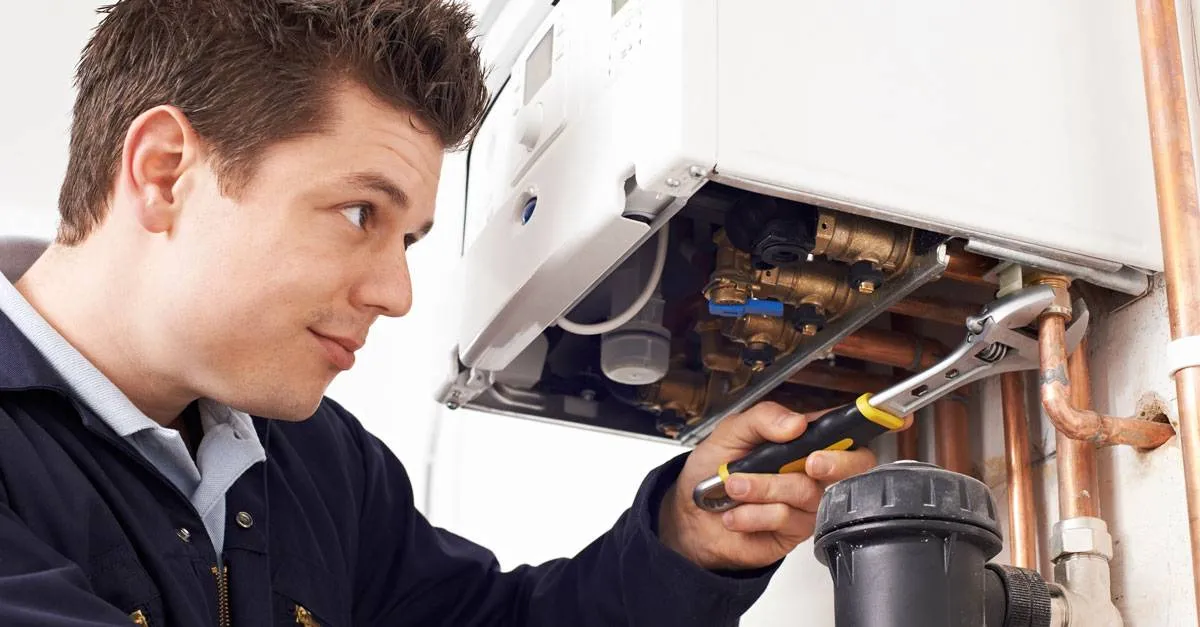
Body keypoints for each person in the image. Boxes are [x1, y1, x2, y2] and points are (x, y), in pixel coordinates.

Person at [0, 1, 878, 625]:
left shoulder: (315, 461)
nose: (396, 292)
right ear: (164, 173)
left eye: (409, 239)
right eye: (359, 214)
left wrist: (686, 542)